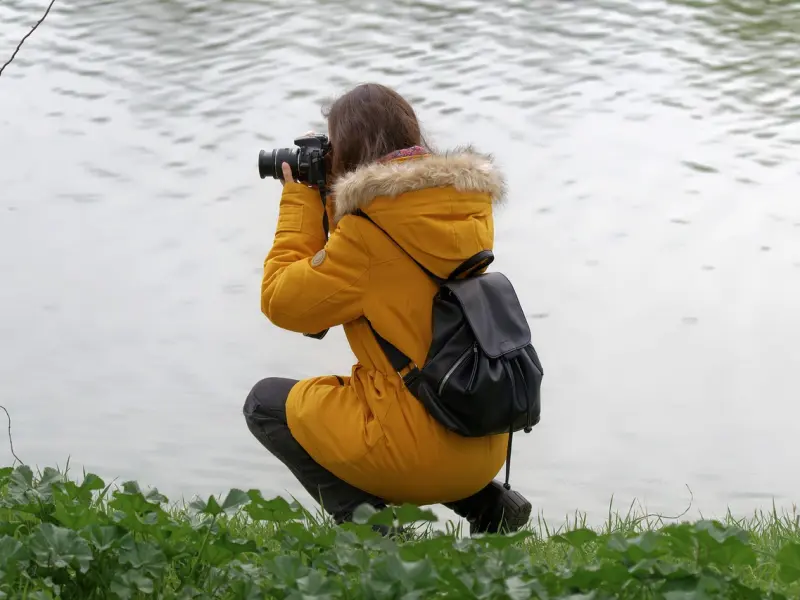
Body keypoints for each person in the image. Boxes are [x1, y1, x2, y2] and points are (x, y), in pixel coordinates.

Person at [243, 82, 533, 534]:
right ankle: (487, 505)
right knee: (395, 388)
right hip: (482, 437)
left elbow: (282, 302)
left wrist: (301, 199)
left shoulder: (366, 237)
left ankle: (373, 533)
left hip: (419, 455)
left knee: (265, 404)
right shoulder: (466, 210)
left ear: (348, 154)